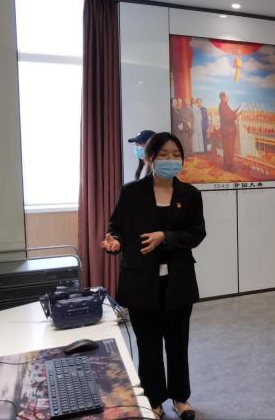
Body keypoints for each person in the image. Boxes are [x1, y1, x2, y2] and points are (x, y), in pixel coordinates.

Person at [100, 132, 206, 420]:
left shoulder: (190, 195)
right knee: (148, 346)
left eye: (176, 155)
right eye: (164, 155)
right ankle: (154, 400)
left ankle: (180, 399)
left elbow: (196, 233)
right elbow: (116, 227)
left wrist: (166, 237)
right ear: (149, 158)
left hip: (178, 281)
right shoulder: (131, 192)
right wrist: (114, 242)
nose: (171, 160)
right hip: (141, 281)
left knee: (177, 343)